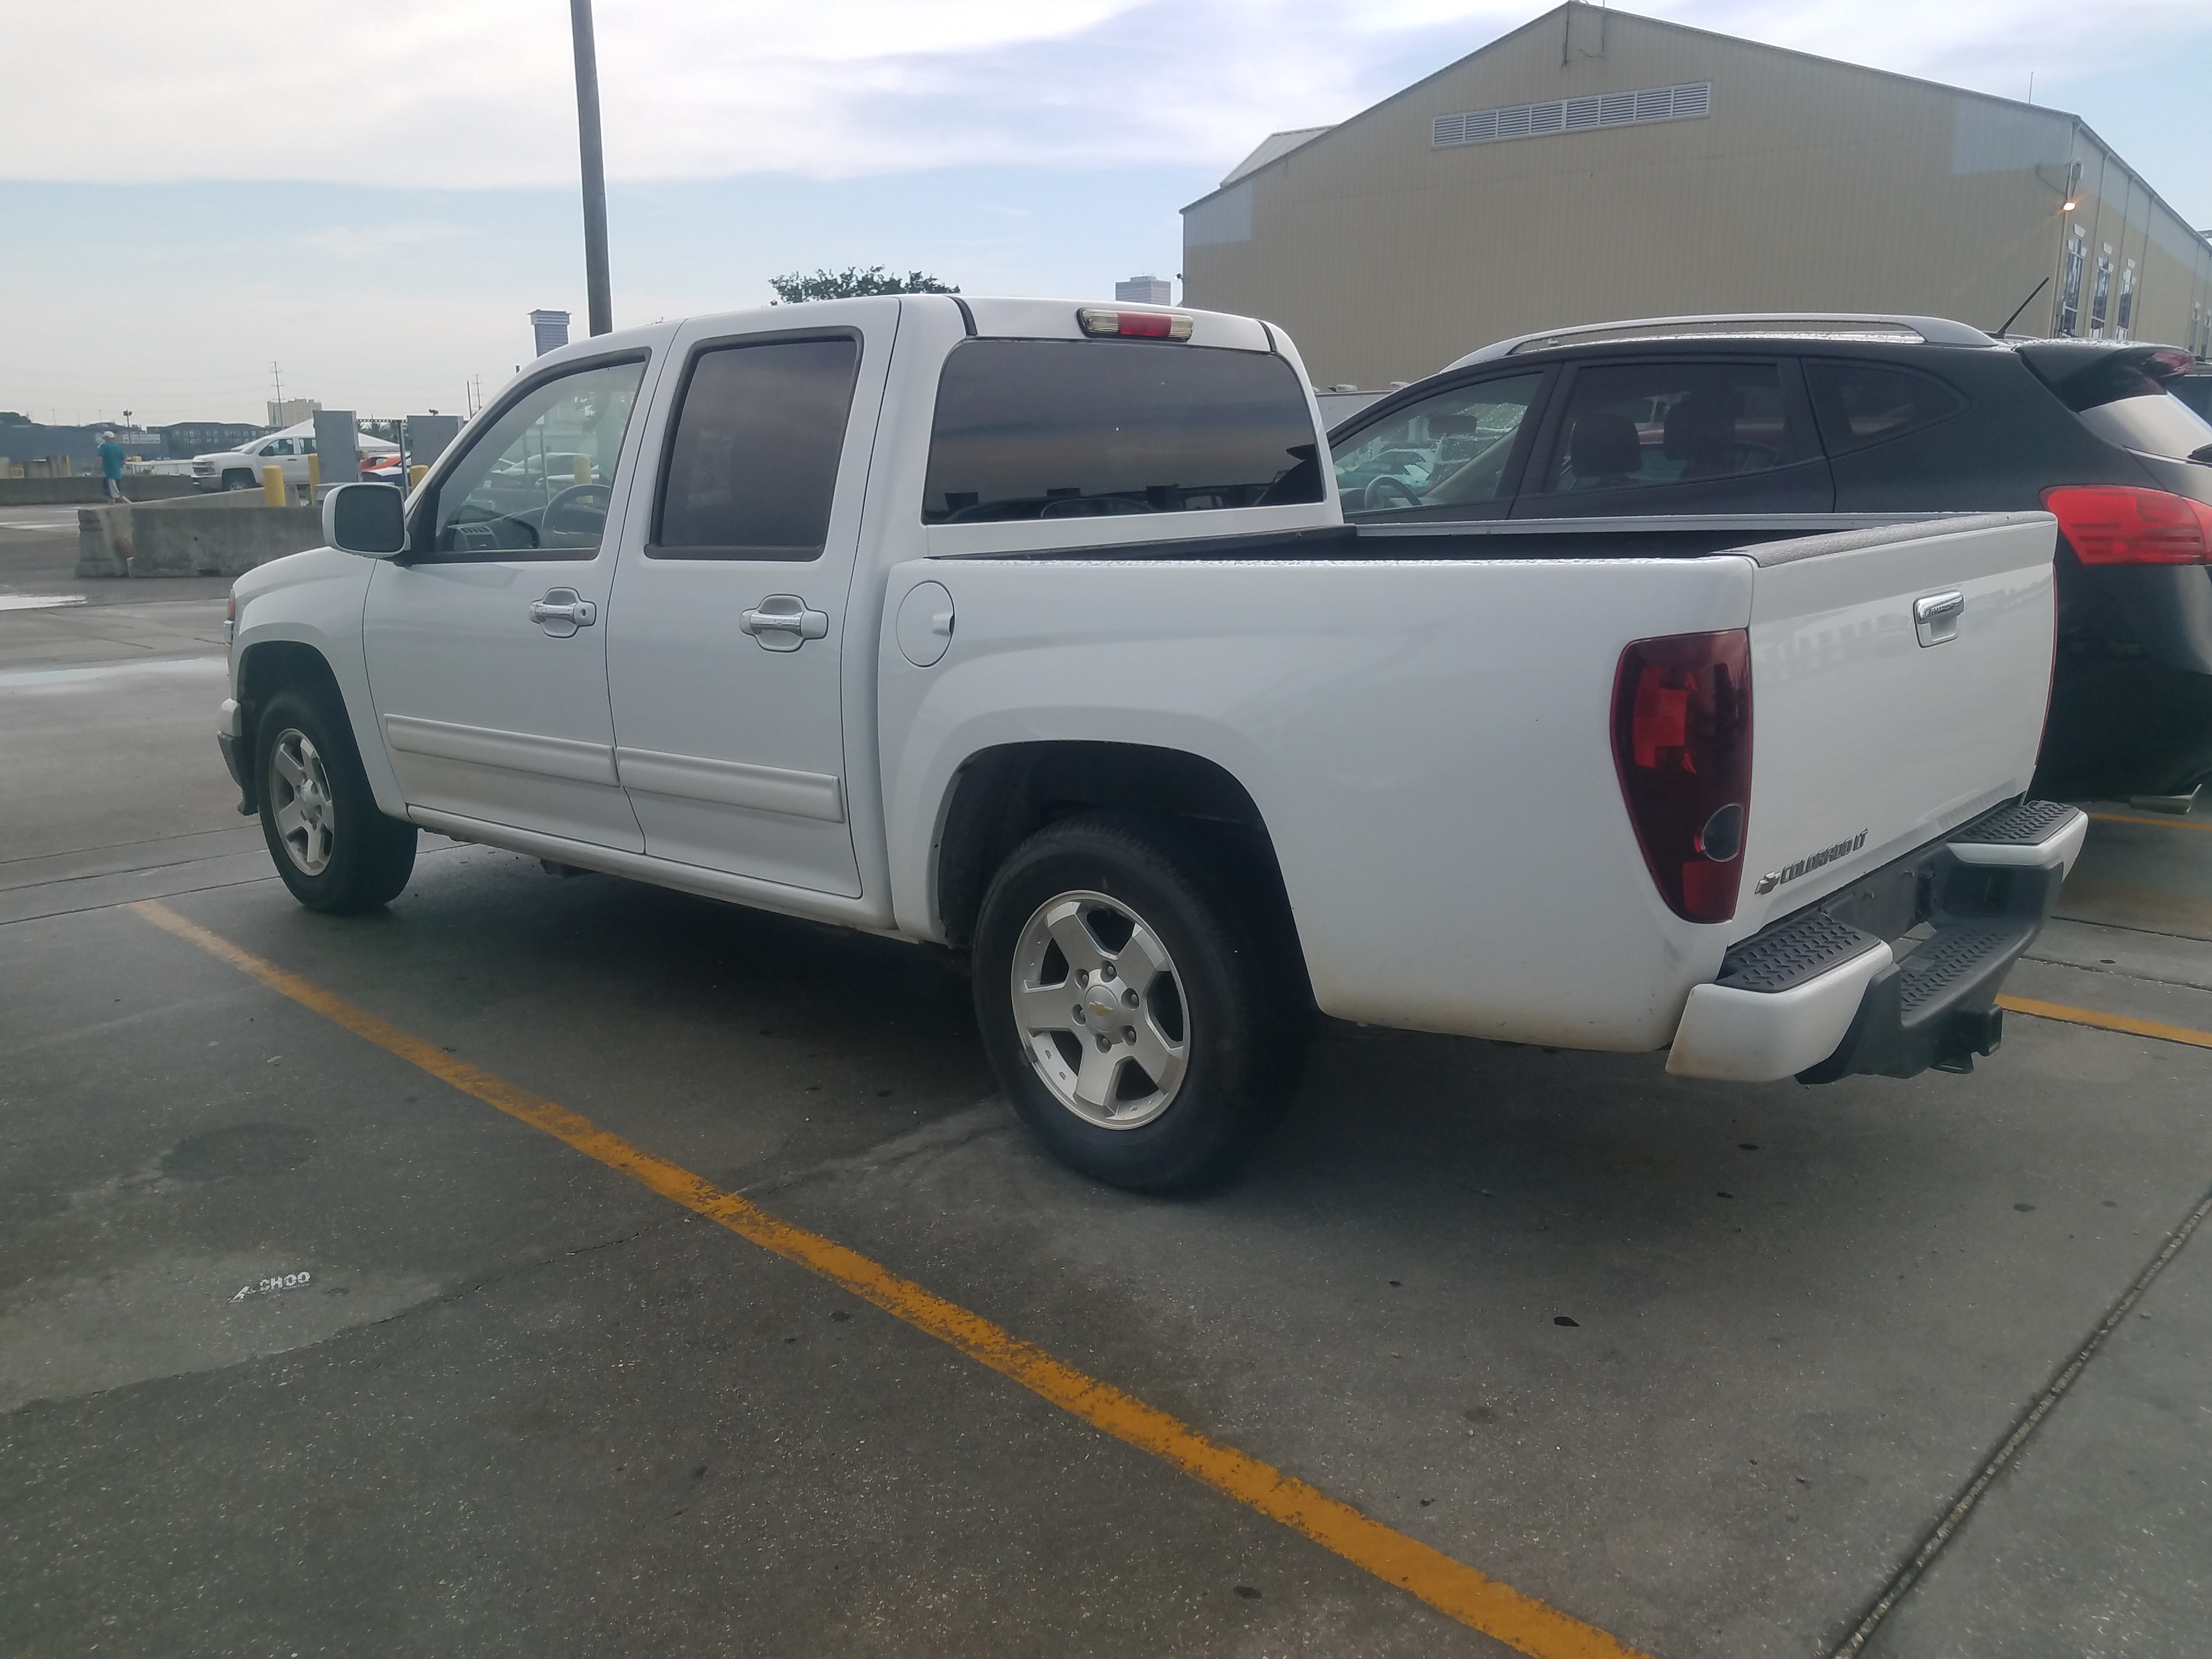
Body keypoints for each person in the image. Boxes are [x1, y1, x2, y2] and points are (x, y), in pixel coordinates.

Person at [96, 430, 128, 503]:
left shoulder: (104, 446)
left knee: (116, 494)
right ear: (113, 438)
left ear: (104, 439)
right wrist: (118, 468)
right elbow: (123, 461)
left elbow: (99, 458)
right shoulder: (118, 447)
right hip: (117, 474)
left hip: (109, 474)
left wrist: (95, 469)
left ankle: (131, 505)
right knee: (110, 494)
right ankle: (111, 509)